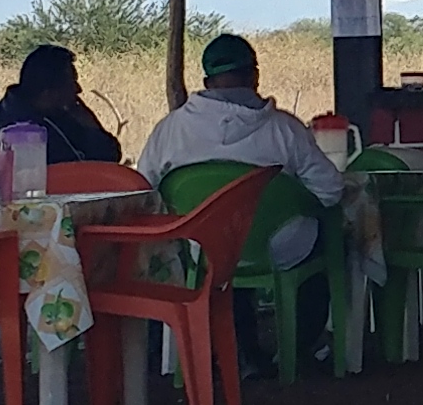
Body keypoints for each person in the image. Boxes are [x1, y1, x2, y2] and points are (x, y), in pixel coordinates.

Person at [135, 33, 347, 266]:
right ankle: (304, 302)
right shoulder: (286, 129)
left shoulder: (169, 130)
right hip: (280, 249)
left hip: (199, 250)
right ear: (255, 76)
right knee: (335, 234)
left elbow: (142, 191)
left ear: (207, 83)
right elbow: (331, 190)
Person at [0, 42, 122, 165]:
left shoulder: (63, 114)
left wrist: (91, 126)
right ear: (48, 92)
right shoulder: (17, 130)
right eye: (71, 82)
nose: (78, 89)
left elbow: (111, 156)